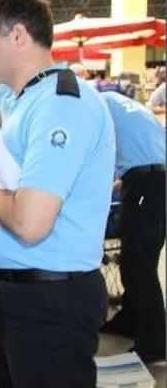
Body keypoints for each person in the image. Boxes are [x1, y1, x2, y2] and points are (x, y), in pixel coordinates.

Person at [0, 0, 115, 387]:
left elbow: (31, 222)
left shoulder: (61, 104)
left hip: (48, 302)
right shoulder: (18, 100)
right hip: (7, 290)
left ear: (17, 36)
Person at [99, 91, 165, 363]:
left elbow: (96, 156)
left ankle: (155, 342)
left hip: (145, 183)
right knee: (136, 260)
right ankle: (130, 317)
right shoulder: (116, 100)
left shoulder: (93, 107)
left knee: (139, 266)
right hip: (154, 179)